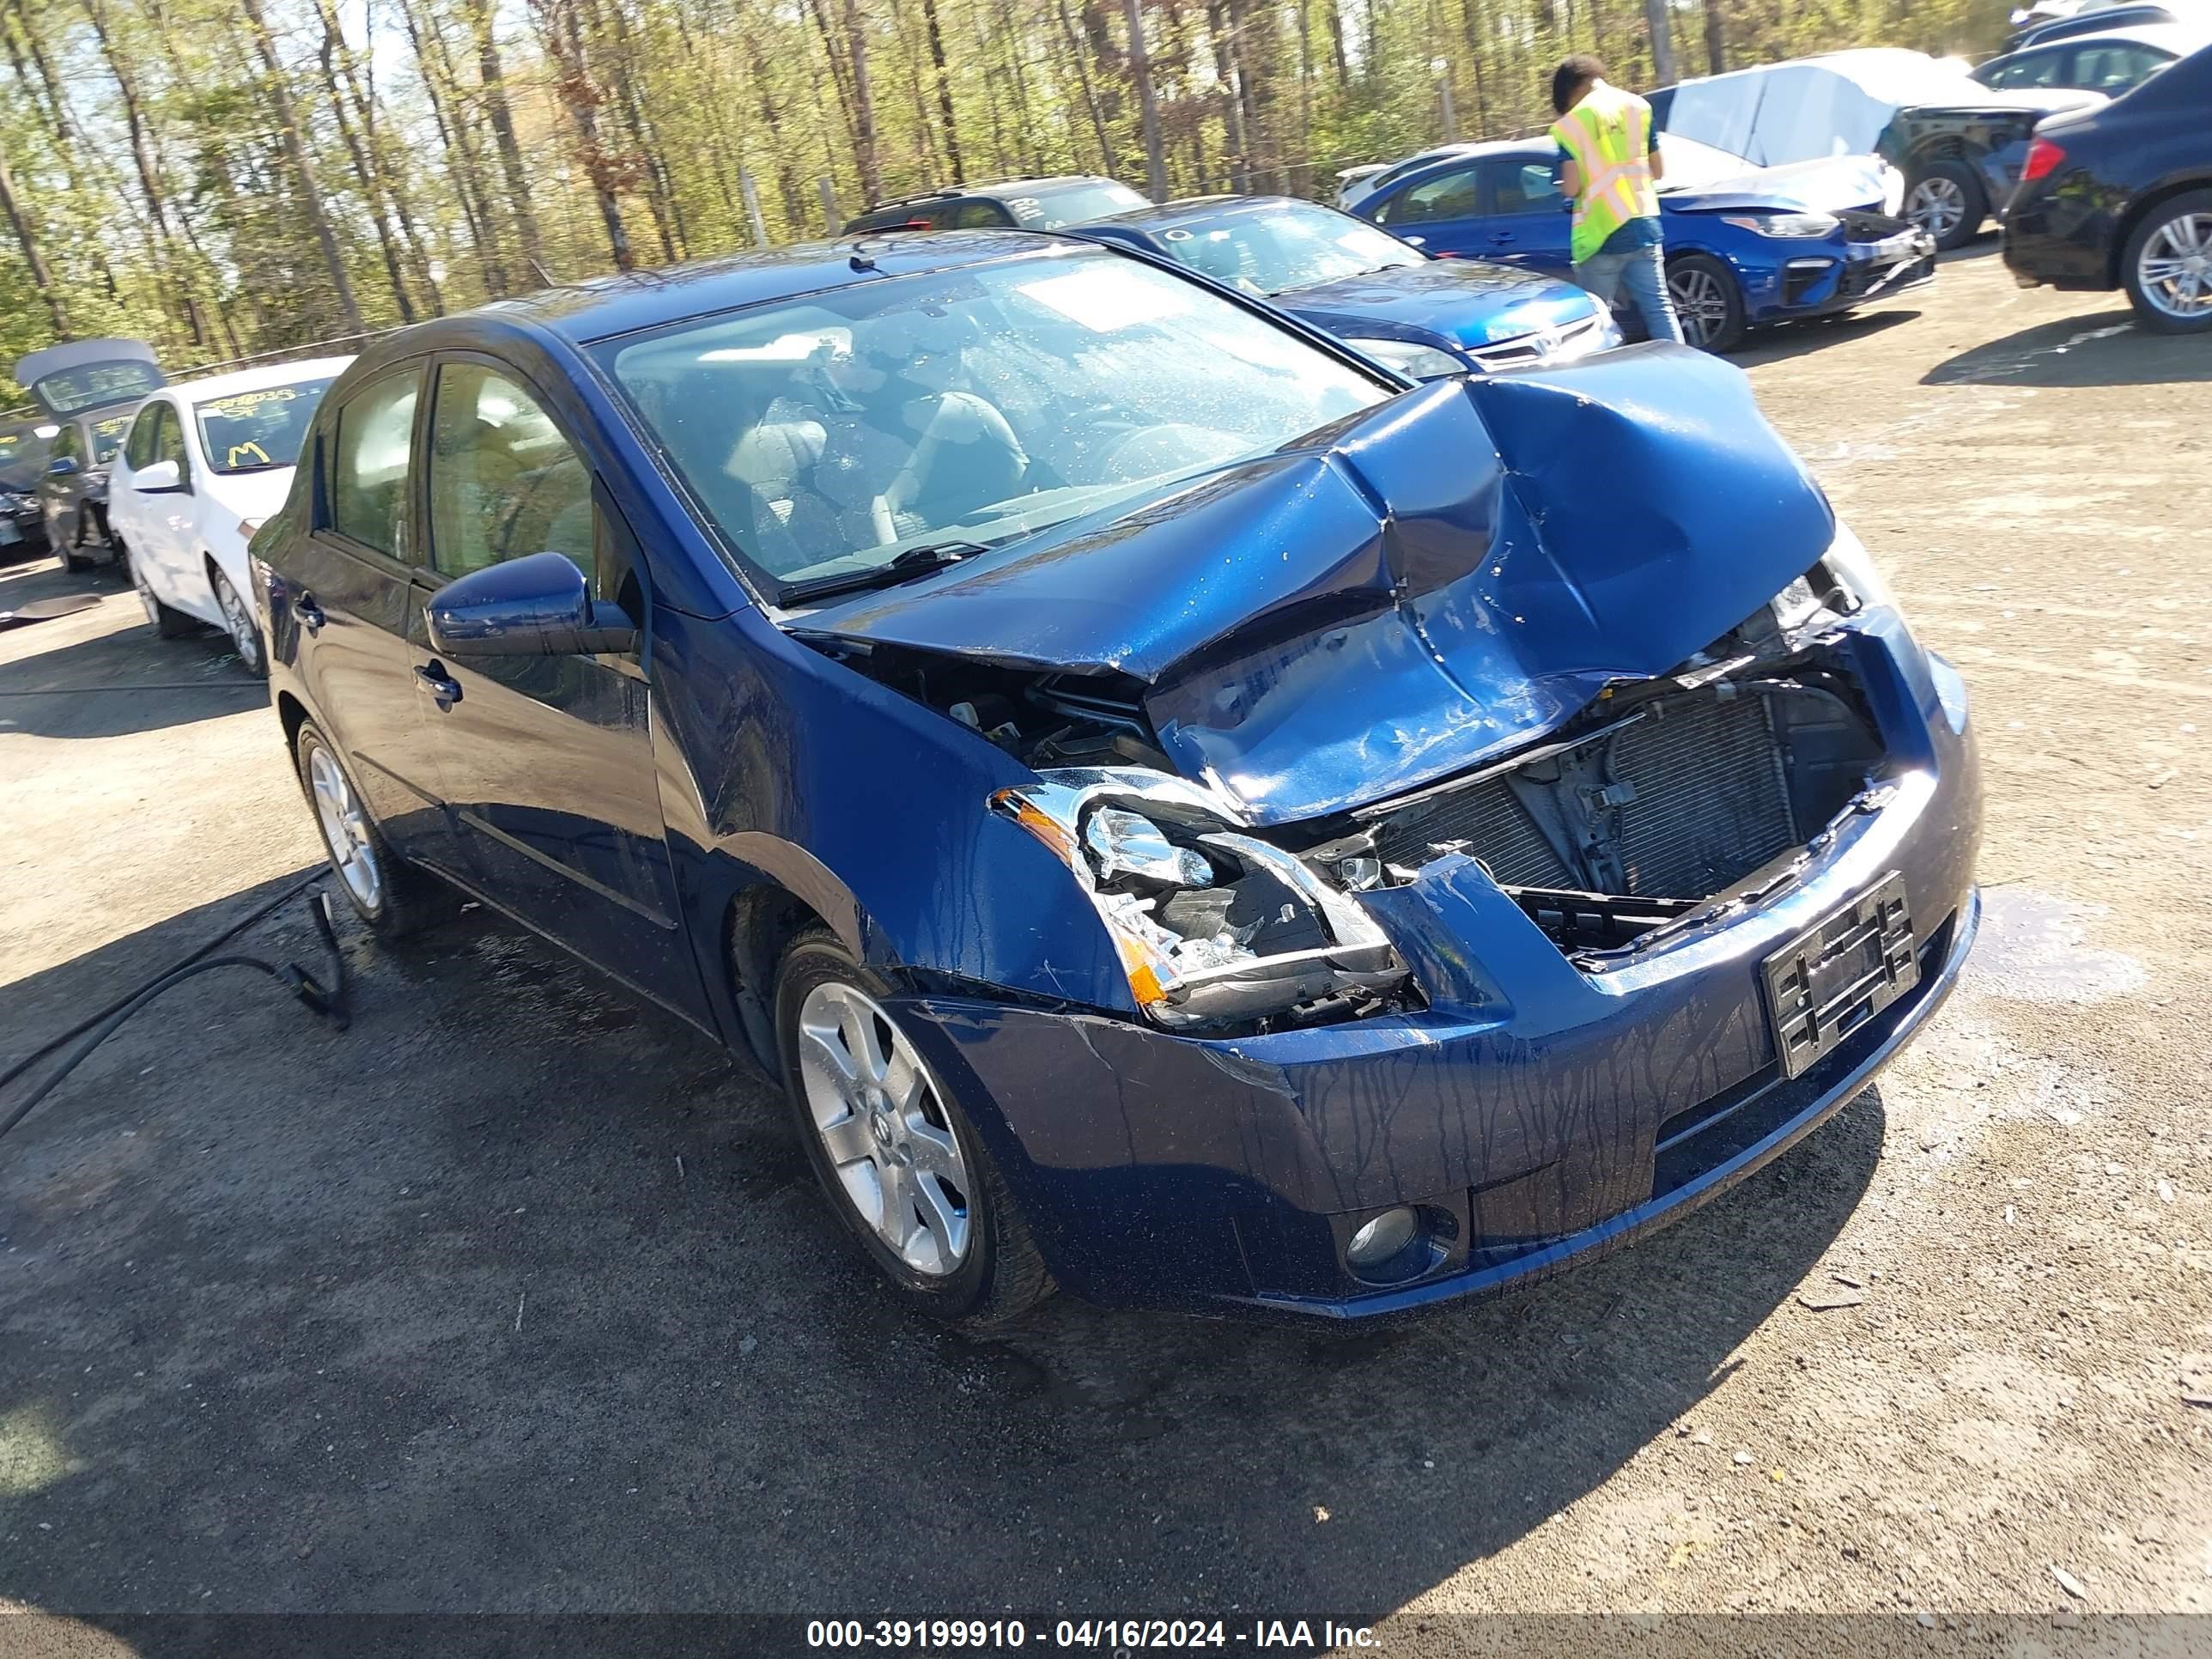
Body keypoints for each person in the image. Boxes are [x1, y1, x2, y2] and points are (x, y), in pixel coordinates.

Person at [1549, 54, 1685, 345]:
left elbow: (1572, 187)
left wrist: (1566, 186)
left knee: (1596, 318)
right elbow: (1657, 170)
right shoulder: (1639, 107)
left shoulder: (1573, 122)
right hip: (1643, 223)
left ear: (1569, 90)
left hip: (1600, 234)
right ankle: (1684, 370)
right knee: (1660, 308)